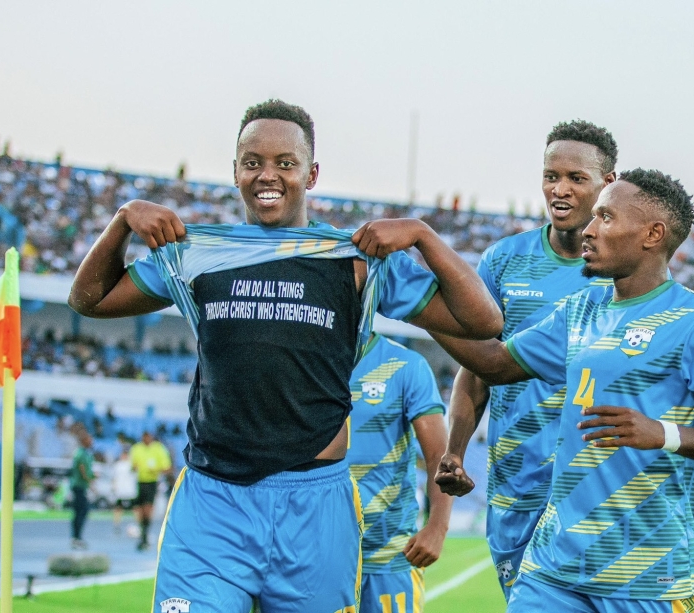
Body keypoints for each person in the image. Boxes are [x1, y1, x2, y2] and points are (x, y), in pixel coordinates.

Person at [68, 99, 501, 613]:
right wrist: (122, 222)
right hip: (214, 502)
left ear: (311, 173)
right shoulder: (196, 253)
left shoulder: (354, 261)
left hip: (315, 508)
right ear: (234, 171)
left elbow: (484, 321)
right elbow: (88, 300)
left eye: (285, 163)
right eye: (252, 163)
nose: (266, 175)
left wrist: (424, 237)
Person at [433, 170, 694, 611]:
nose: (588, 230)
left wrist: (663, 434)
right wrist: (413, 298)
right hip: (551, 569)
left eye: (605, 218)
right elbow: (491, 363)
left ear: (652, 234)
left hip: (648, 576)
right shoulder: (581, 310)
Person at [435, 120, 617, 599]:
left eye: (577, 178)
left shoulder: (624, 275)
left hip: (593, 488)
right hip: (516, 485)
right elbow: (476, 370)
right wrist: (454, 449)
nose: (560, 189)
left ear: (608, 184)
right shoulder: (503, 261)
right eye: (551, 175)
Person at [346, 333, 452, 613]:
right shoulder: (308, 360)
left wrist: (438, 526)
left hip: (389, 554)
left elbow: (438, 455)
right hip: (322, 553)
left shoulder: (405, 364)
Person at [129, 431, 171, 551]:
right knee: (139, 511)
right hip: (139, 482)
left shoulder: (158, 448)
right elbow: (132, 466)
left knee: (147, 509)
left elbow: (166, 467)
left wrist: (156, 470)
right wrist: (135, 467)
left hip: (151, 483)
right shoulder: (137, 448)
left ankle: (144, 535)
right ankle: (143, 534)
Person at [69, 431, 95, 549]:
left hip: (81, 486)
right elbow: (82, 469)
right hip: (79, 486)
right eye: (89, 440)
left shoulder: (86, 453)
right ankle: (76, 537)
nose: (91, 442)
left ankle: (76, 537)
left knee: (81, 511)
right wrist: (90, 482)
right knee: (81, 511)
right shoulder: (80, 453)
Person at [111, 448, 138, 534]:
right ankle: (116, 525)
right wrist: (114, 487)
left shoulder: (131, 465)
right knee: (118, 509)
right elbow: (114, 478)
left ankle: (138, 525)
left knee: (136, 509)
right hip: (120, 491)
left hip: (130, 491)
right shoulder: (117, 465)